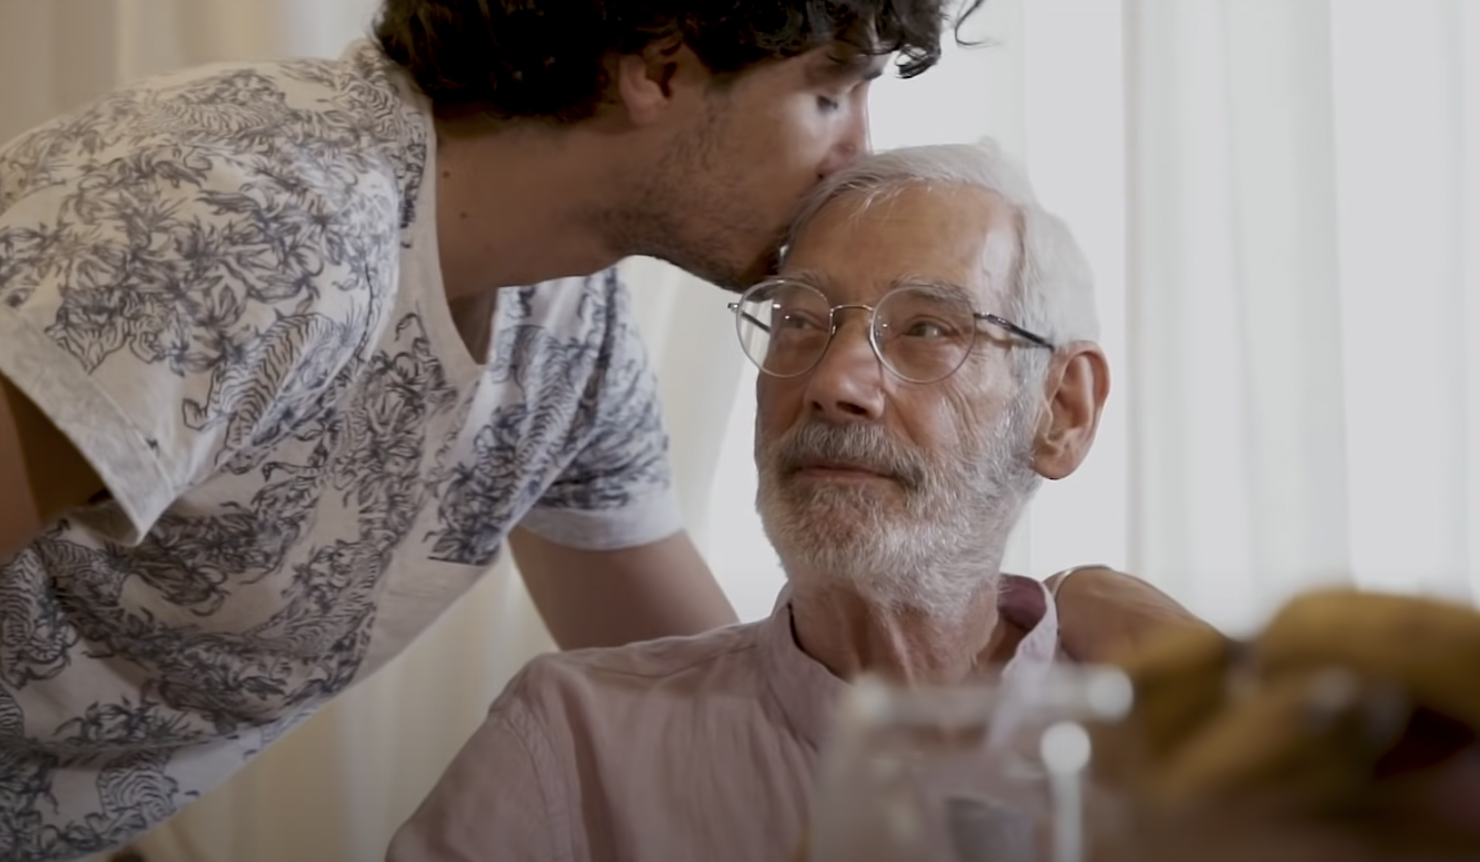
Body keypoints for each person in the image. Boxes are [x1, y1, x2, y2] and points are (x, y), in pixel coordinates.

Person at [0, 2, 1195, 859]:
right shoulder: (242, 224)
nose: (857, 148)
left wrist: (1139, 652)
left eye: (928, 330)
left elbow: (728, 703)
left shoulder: (566, 333)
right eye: (829, 91)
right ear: (662, 66)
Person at [386, 141, 1209, 862]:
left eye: (926, 328)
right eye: (798, 321)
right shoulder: (573, 743)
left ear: (1061, 410)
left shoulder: (1196, 741)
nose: (832, 382)